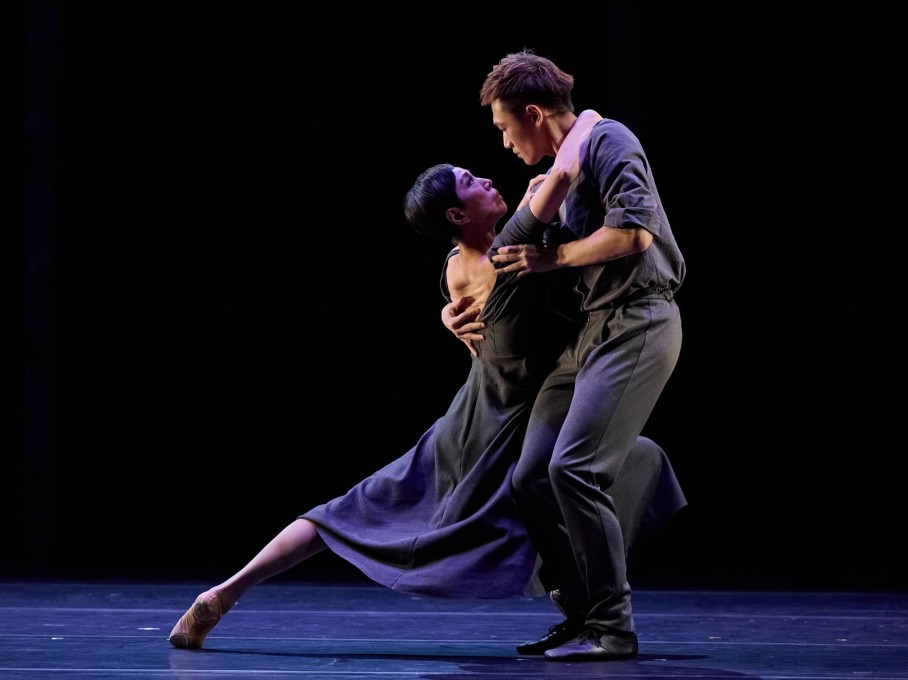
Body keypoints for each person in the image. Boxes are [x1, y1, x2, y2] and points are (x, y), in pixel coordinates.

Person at [167, 116, 687, 652]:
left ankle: (225, 592)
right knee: (559, 482)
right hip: (499, 422)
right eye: (471, 181)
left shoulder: (458, 265)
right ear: (458, 214)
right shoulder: (514, 244)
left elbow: (501, 290)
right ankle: (590, 611)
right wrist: (586, 120)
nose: (487, 177)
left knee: (359, 510)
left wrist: (451, 310)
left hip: (486, 412)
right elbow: (565, 171)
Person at [444, 50, 685, 661]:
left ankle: (613, 628)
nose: (504, 143)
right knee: (530, 476)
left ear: (532, 113)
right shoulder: (559, 171)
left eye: (505, 128)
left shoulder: (608, 141)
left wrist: (552, 256)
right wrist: (450, 307)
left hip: (638, 320)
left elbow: (634, 232)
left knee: (573, 470)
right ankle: (581, 613)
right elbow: (504, 261)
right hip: (590, 331)